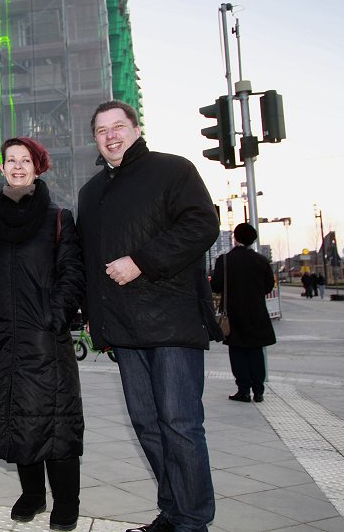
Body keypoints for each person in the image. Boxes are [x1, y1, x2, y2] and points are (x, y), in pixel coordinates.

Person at [76, 100, 220, 532]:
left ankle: (193, 521)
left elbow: (201, 224)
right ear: (96, 140)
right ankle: (173, 512)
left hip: (171, 321)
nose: (111, 136)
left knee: (179, 423)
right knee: (146, 424)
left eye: (119, 126)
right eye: (102, 131)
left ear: (137, 129)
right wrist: (91, 315)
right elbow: (89, 260)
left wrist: (141, 260)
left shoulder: (173, 170)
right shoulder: (91, 192)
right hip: (123, 327)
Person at [0, 137, 85, 530]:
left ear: (38, 168)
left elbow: (72, 276)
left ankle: (66, 502)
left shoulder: (58, 217)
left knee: (57, 420)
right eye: (10, 160)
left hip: (45, 337)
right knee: (16, 416)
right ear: (1, 168)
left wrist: (53, 320)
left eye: (25, 160)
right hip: (5, 338)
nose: (17, 166)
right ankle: (33, 494)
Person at [211, 223, 276, 403]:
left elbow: (216, 285)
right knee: (256, 350)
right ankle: (259, 390)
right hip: (257, 313)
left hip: (233, 312)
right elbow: (268, 286)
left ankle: (243, 390)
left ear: (235, 238)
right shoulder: (261, 261)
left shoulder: (224, 260)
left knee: (238, 351)